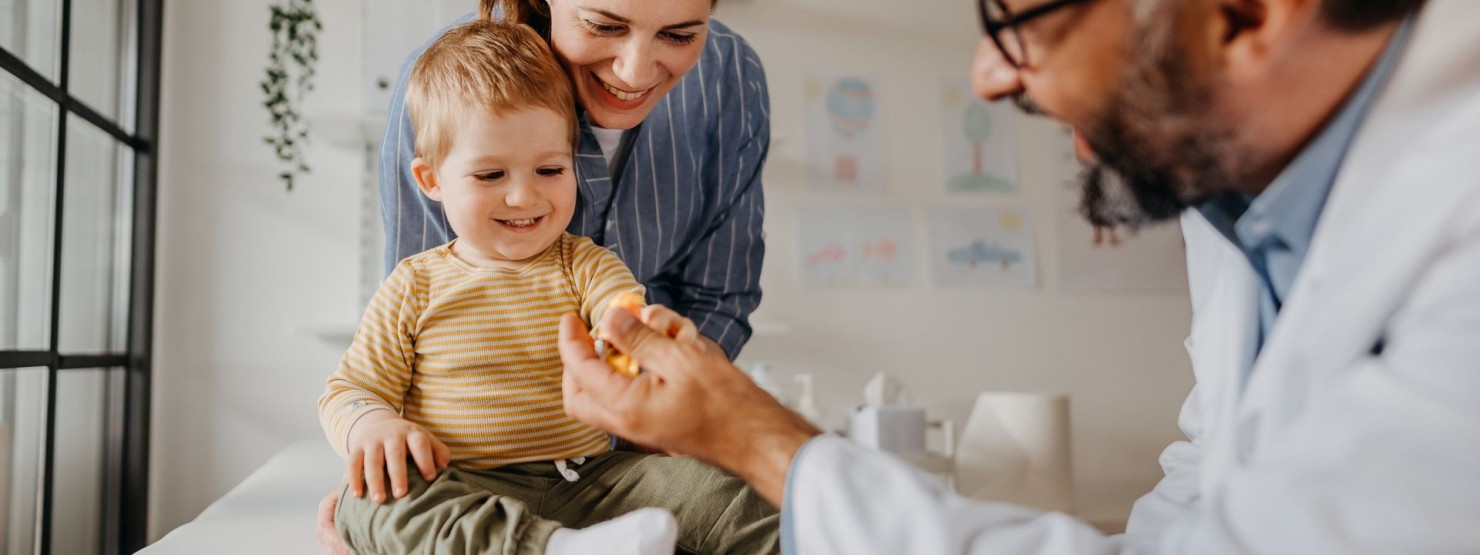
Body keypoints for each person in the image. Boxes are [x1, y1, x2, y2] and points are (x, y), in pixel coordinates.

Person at [559, 0, 1480, 552]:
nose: (990, 75)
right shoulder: (1240, 200)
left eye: (1021, 18)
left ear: (1245, 13)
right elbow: (1209, 487)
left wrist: (758, 438)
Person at [318, 20, 778, 555]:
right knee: (367, 503)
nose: (523, 197)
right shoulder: (412, 285)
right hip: (464, 487)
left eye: (550, 169)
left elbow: (621, 307)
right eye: (491, 176)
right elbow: (351, 390)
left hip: (594, 481)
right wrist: (371, 430)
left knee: (723, 489)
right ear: (431, 180)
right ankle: (557, 550)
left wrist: (629, 344)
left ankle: (813, 539)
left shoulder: (584, 263)